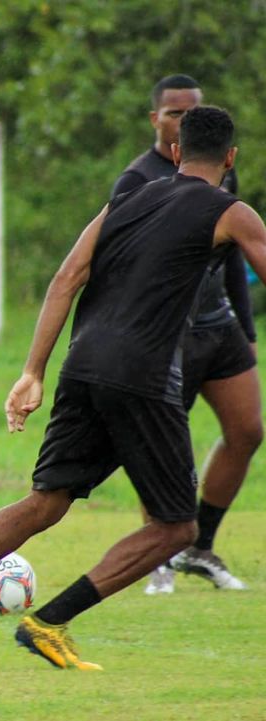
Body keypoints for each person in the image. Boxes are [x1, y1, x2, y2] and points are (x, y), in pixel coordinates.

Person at [0, 106, 266, 671]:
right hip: (142, 375)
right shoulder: (231, 210)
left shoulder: (127, 201)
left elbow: (67, 277)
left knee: (47, 500)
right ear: (231, 158)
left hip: (81, 363)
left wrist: (32, 371)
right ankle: (48, 621)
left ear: (178, 152)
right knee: (175, 527)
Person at [112, 74, 257, 595]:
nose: (180, 121)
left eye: (189, 112)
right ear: (155, 119)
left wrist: (248, 329)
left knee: (248, 430)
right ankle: (160, 555)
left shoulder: (218, 173)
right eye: (172, 113)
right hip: (166, 331)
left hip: (218, 323)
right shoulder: (136, 181)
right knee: (166, 448)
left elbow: (235, 253)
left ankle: (201, 547)